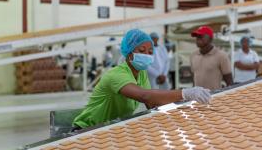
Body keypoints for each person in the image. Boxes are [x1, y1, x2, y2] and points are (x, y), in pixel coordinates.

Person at [73, 29, 211, 130]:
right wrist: (184, 93)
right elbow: (145, 96)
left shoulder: (141, 73)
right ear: (129, 53)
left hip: (109, 129)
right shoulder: (116, 75)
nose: (147, 55)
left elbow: (152, 104)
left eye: (150, 52)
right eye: (142, 50)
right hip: (86, 130)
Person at [190, 26, 233, 91]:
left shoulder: (221, 56)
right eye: (196, 36)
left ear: (210, 38)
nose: (198, 38)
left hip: (214, 98)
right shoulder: (193, 55)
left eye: (201, 36)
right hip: (197, 98)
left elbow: (229, 82)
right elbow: (194, 78)